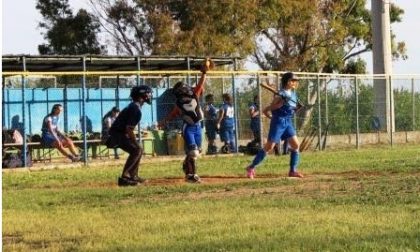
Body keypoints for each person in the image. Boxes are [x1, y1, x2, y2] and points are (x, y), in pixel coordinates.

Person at [246, 72, 304, 179]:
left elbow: (293, 109)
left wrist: (297, 108)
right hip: (278, 122)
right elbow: (268, 109)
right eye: (293, 81)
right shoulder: (280, 94)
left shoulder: (293, 94)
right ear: (287, 82)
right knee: (269, 147)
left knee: (296, 145)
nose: (295, 83)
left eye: (296, 81)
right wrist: (280, 104)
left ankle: (292, 171)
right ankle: (251, 167)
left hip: (287, 122)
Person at [159, 63, 210, 183]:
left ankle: (190, 173)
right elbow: (173, 114)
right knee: (193, 152)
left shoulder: (194, 95)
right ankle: (191, 175)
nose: (185, 89)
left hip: (198, 127)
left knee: (196, 153)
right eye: (182, 89)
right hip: (188, 128)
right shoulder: (179, 102)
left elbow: (201, 84)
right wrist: (164, 122)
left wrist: (204, 73)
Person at [107, 86, 152, 186]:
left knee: (137, 150)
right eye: (148, 93)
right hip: (117, 134)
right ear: (142, 95)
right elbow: (129, 129)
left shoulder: (133, 106)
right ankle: (125, 177)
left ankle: (133, 176)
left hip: (118, 133)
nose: (149, 95)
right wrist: (135, 142)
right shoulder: (135, 109)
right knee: (137, 149)